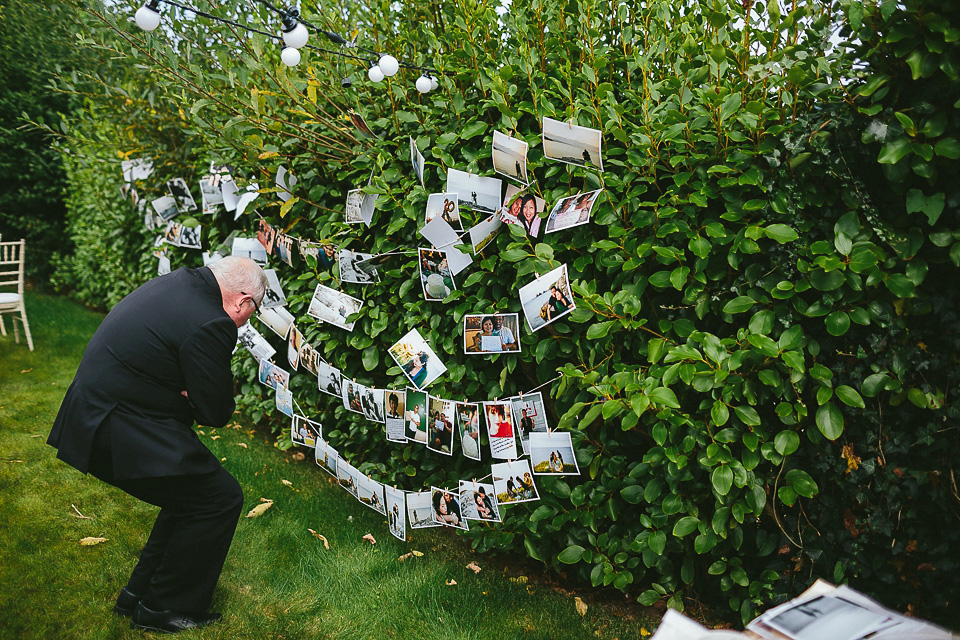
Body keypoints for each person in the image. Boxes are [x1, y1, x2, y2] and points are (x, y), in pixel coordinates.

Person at [47, 256, 267, 633]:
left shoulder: (180, 283)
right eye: (254, 312)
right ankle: (163, 609)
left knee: (191, 492)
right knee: (218, 497)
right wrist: (194, 392)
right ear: (243, 301)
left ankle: (138, 596)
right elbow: (217, 410)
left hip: (97, 413)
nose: (247, 320)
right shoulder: (212, 320)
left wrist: (189, 387)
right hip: (117, 426)